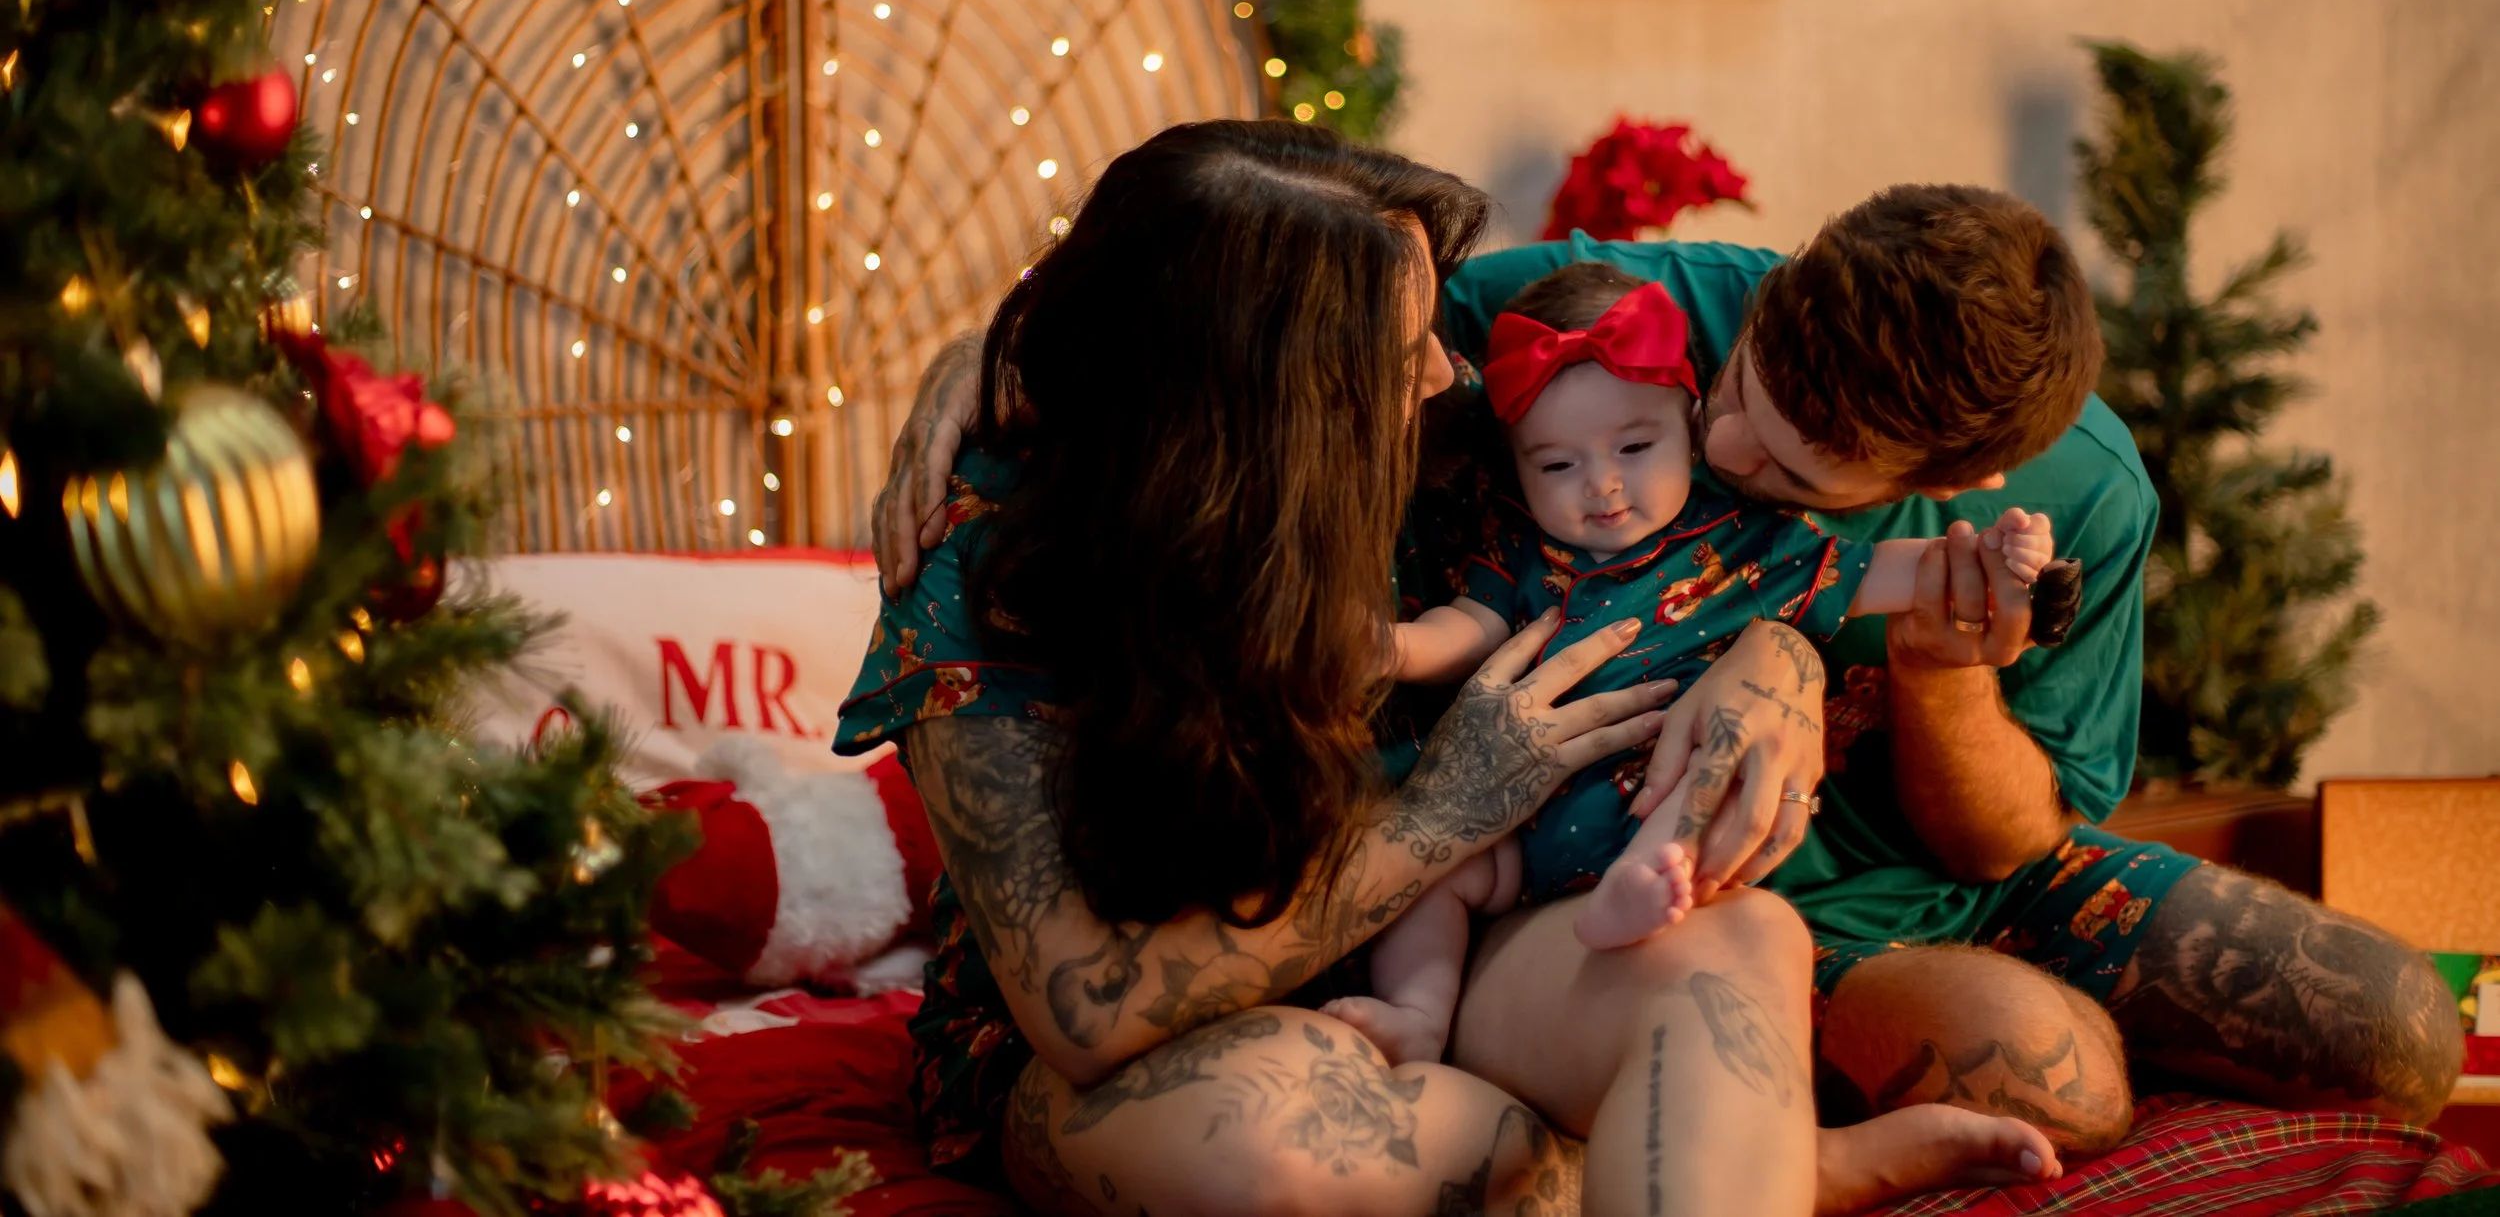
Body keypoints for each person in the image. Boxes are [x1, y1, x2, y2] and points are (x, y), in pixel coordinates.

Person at [877, 179, 2464, 1169]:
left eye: (1809, 454)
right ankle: (1787, 1109)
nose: (1728, 441)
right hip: (1665, 885)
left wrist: (1922, 669)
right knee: (2050, 1071)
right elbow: (1241, 292)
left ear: (1960, 474)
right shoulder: (1631, 315)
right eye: (1752, 377)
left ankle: (1769, 1111)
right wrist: (991, 351)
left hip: (1925, 871)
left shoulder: (2087, 502)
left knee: (2401, 1025)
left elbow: (2011, 839)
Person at [842, 124, 2057, 1217]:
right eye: (1404, 345)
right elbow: (1086, 1008)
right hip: (1145, 1036)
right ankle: (1757, 1162)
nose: (1449, 371)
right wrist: (1443, 812)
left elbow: (1689, 558)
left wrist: (1775, 651)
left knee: (1734, 950)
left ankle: (1713, 1153)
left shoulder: (1456, 438)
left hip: (1448, 962)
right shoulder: (988, 555)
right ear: (1258, 397)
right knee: (1263, 1132)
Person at [1331, 263, 2056, 1069]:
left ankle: (1644, 887)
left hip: (1654, 802)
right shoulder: (1519, 544)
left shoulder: (1748, 544)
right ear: (1518, 466)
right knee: (1431, 881)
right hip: (1509, 823)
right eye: (1557, 465)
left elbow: (1891, 569)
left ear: (1689, 417)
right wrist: (1392, 647)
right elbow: (1467, 628)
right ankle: (1418, 1013)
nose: (1602, 484)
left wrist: (1993, 554)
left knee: (1710, 770)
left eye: (1636, 447)